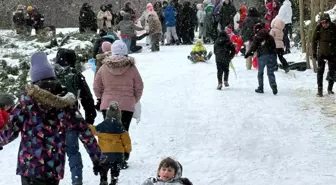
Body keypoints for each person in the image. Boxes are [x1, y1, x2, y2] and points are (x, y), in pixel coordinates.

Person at [0, 51, 105, 185]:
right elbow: (84, 132)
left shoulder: (26, 103)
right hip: (53, 166)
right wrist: (97, 158)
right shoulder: (65, 102)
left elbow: (9, 132)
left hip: (30, 166)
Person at [90, 101, 131, 184]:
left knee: (103, 169)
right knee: (115, 170)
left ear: (107, 114)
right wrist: (127, 151)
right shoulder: (121, 128)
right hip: (118, 155)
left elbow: (92, 130)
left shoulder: (101, 126)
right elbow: (127, 141)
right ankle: (114, 180)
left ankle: (103, 179)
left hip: (104, 154)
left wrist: (85, 125)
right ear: (119, 116)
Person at [245, 26, 278, 95]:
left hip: (262, 56)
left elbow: (253, 47)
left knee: (260, 72)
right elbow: (274, 47)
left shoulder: (257, 38)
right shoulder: (270, 37)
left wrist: (248, 54)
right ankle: (273, 84)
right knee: (270, 72)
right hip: (272, 55)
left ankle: (260, 88)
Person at [312, 13, 336, 97]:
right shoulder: (318, 28)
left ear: (328, 21)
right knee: (320, 72)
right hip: (321, 53)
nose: (324, 25)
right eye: (322, 23)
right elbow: (314, 41)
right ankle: (320, 90)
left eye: (325, 22)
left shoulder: (333, 27)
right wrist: (314, 52)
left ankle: (330, 88)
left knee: (332, 71)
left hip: (332, 53)